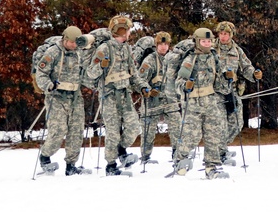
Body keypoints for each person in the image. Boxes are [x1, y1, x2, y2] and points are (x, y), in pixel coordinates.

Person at [86, 15, 150, 176]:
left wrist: (143, 87)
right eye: (127, 30)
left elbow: (133, 74)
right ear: (121, 30)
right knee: (113, 131)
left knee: (134, 127)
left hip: (125, 94)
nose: (129, 33)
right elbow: (90, 74)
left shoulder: (127, 48)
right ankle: (111, 164)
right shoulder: (104, 49)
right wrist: (101, 65)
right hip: (109, 95)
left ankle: (121, 150)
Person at [171, 27, 231, 179]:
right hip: (193, 103)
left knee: (213, 134)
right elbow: (179, 83)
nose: (207, 44)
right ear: (197, 42)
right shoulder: (190, 59)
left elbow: (220, 84)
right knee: (192, 135)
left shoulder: (213, 57)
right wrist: (185, 86)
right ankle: (180, 160)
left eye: (209, 41)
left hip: (211, 101)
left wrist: (228, 79)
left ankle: (212, 166)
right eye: (204, 41)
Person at [34, 25, 90, 176]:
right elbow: (41, 73)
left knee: (76, 131)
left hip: (75, 97)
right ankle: (45, 157)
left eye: (76, 43)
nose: (73, 45)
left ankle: (71, 165)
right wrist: (48, 86)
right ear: (65, 39)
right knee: (58, 130)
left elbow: (84, 73)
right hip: (57, 97)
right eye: (71, 42)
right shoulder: (53, 52)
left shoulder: (79, 53)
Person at [213, 21, 261, 164]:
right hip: (215, 92)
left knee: (237, 123)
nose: (223, 37)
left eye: (226, 34)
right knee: (220, 123)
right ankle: (219, 152)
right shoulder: (211, 49)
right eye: (221, 34)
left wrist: (254, 74)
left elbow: (246, 67)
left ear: (231, 35)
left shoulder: (237, 50)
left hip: (232, 91)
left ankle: (221, 146)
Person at [137, 31, 175, 164]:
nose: (163, 47)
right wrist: (147, 90)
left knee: (176, 127)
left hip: (170, 99)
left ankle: (178, 155)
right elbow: (139, 79)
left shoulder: (174, 59)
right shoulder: (150, 60)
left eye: (165, 44)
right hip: (153, 100)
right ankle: (145, 156)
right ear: (156, 45)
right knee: (148, 129)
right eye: (160, 44)